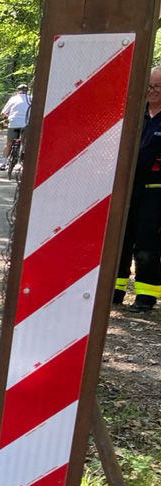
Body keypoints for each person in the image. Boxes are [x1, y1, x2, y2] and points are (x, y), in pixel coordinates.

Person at [116, 66, 161, 313]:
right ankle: (115, 289)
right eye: (149, 86)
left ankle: (146, 295)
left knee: (147, 243)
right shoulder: (135, 115)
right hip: (127, 187)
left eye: (157, 86)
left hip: (155, 191)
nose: (152, 91)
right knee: (120, 239)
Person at [0, 84, 31, 170]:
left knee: (9, 143)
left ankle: (3, 164)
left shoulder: (13, 99)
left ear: (18, 90)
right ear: (27, 91)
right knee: (26, 144)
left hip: (13, 123)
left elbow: (2, 113)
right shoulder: (31, 98)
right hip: (26, 125)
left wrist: (7, 117)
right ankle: (24, 165)